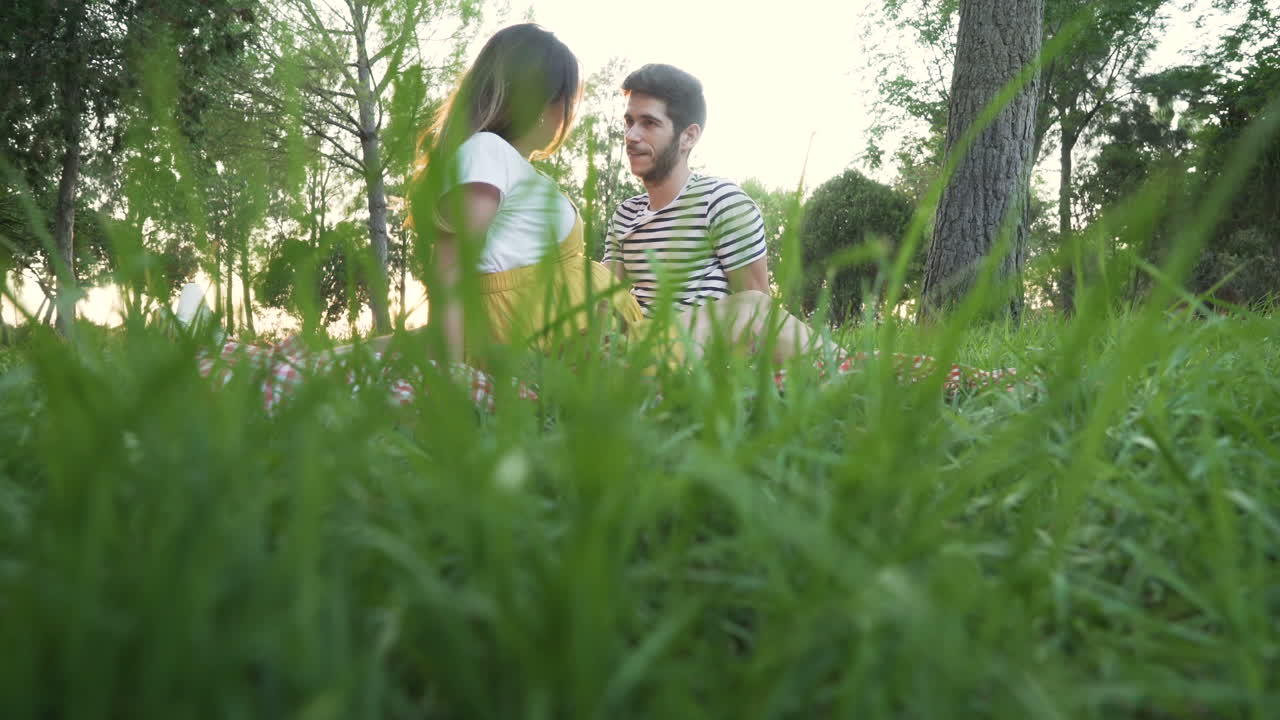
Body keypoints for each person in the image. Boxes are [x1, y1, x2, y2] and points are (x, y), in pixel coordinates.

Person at [601, 63, 830, 364]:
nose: (631, 136)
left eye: (649, 123)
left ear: (688, 136)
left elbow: (758, 313)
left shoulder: (721, 201)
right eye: (629, 122)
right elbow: (603, 302)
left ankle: (846, 368)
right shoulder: (625, 215)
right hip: (636, 351)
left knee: (753, 307)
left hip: (702, 355)